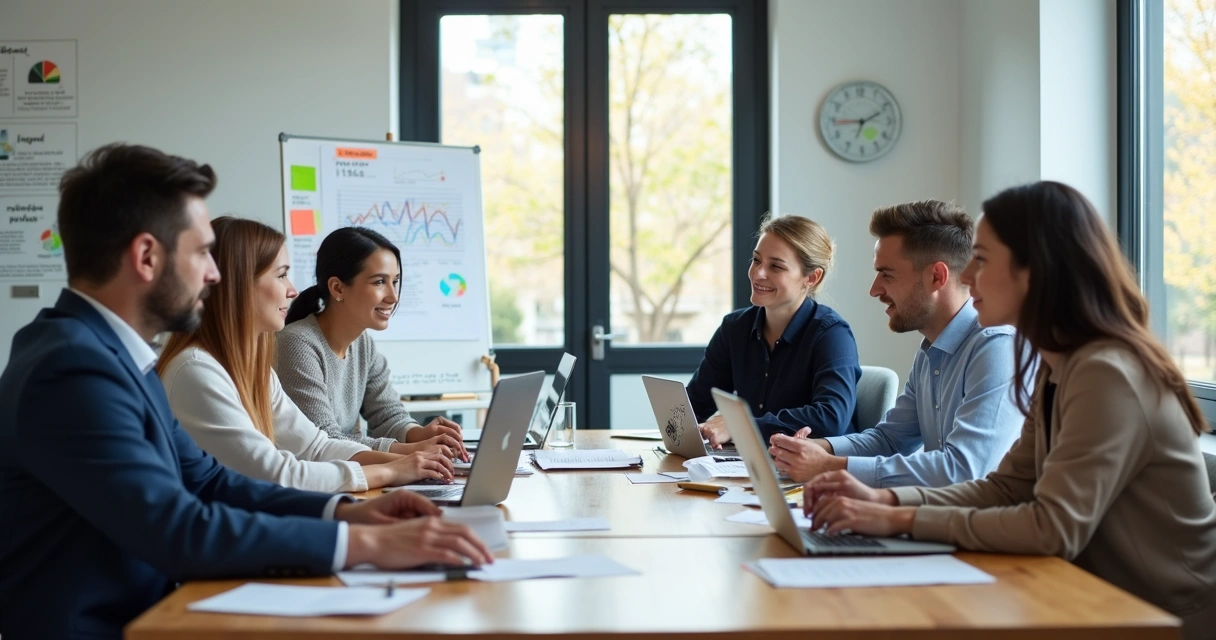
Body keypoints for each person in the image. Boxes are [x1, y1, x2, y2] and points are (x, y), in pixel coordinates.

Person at [0, 144, 493, 640]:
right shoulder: (72, 369)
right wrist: (359, 542)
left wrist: (347, 511)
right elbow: (179, 530)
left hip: (151, 615)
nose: (214, 274)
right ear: (146, 256)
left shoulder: (114, 354)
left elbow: (211, 481)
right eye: (200, 253)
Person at [803, 181, 1216, 638]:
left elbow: (1051, 526)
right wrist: (887, 498)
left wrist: (898, 516)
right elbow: (1006, 487)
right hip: (1093, 596)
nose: (969, 276)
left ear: (1034, 272)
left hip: (1160, 615)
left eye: (982, 260)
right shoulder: (1059, 363)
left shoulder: (1107, 372)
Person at [158, 217, 460, 493]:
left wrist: (413, 463)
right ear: (239, 286)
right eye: (281, 276)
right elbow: (276, 473)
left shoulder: (251, 369)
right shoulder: (196, 372)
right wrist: (390, 471)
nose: (292, 290)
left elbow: (315, 446)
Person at [768, 200, 1026, 487]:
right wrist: (820, 448)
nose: (874, 289)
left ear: (936, 276)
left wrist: (830, 466)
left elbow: (964, 469)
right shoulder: (930, 349)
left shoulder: (997, 347)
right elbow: (890, 439)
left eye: (887, 274)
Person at [277, 227, 467, 459]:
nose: (393, 296)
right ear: (337, 288)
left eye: (394, 281)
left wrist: (421, 434)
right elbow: (325, 441)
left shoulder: (362, 343)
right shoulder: (296, 344)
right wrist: (412, 450)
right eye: (379, 282)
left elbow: (387, 415)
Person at [686, 213, 861, 446]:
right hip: (750, 464)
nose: (757, 273)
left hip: (813, 473)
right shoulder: (734, 328)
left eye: (776, 266)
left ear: (812, 277)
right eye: (756, 260)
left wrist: (741, 425)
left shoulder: (831, 334)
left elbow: (831, 417)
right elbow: (695, 405)